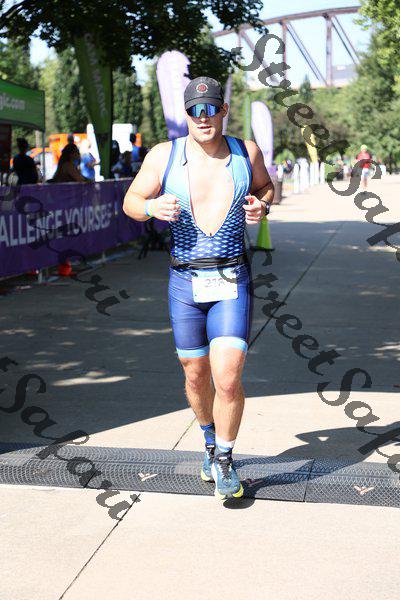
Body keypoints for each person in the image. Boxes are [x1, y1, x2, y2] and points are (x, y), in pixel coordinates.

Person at [123, 76, 274, 500]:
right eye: (195, 110)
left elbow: (266, 186)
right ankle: (209, 440)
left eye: (210, 109)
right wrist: (151, 206)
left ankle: (224, 459)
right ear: (186, 114)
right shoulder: (164, 155)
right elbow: (130, 202)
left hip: (231, 277)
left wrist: (262, 204)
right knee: (195, 374)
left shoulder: (246, 152)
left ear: (224, 110)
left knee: (228, 377)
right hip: (184, 281)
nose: (203, 118)